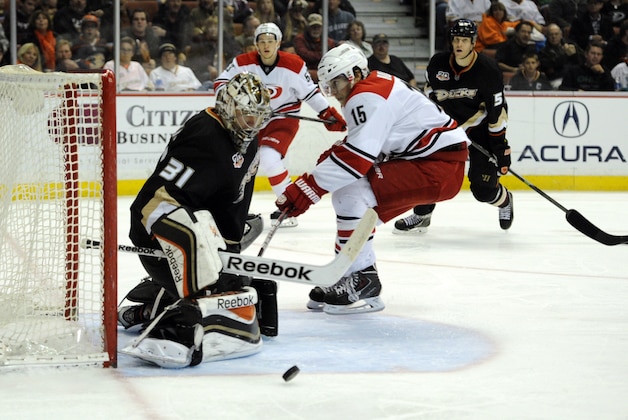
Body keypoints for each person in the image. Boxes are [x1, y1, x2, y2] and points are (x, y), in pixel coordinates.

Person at [274, 44, 470, 314]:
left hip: (435, 167)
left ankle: (361, 279)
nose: (333, 93)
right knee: (356, 205)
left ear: (354, 74)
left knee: (351, 192)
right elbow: (367, 145)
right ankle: (352, 275)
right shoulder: (373, 85)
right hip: (431, 163)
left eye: (335, 83)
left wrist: (305, 191)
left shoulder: (365, 96)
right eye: (328, 86)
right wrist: (336, 154)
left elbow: (356, 160)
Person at [117, 73, 274, 368]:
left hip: (196, 221)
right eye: (245, 115)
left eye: (257, 117)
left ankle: (149, 310)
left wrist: (229, 254)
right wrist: (206, 241)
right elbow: (163, 196)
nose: (251, 124)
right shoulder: (203, 131)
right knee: (193, 235)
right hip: (155, 214)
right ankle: (177, 324)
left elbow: (233, 206)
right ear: (228, 107)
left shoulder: (249, 147)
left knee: (227, 269)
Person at [215, 22, 346, 227]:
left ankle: (288, 207)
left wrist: (326, 112)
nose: (266, 46)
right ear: (256, 44)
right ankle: (234, 208)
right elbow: (221, 83)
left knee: (268, 156)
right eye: (262, 41)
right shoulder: (242, 62)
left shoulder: (293, 64)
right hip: (251, 121)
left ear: (278, 43)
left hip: (283, 118)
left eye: (270, 41)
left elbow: (309, 92)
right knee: (240, 162)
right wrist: (228, 104)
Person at [393, 19, 513, 233]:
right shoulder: (438, 64)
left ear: (473, 42)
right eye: (456, 39)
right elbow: (430, 99)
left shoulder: (488, 70)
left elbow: (496, 113)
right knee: (426, 171)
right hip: (446, 129)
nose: (459, 44)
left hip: (480, 131)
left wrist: (500, 147)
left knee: (483, 190)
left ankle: (504, 201)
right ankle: (422, 215)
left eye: (464, 40)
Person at [293, 13, 338, 82]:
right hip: (305, 71)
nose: (316, 30)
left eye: (318, 27)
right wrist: (323, 55)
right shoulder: (300, 39)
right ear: (308, 27)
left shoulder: (326, 40)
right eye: (313, 27)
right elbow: (305, 54)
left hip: (323, 71)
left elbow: (334, 50)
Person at [122, 8, 164, 74]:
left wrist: (155, 62)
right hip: (130, 72)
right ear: (131, 22)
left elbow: (160, 56)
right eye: (136, 19)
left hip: (152, 71)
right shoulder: (123, 37)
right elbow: (122, 59)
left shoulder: (153, 37)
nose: (139, 22)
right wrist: (141, 65)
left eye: (142, 19)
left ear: (147, 23)